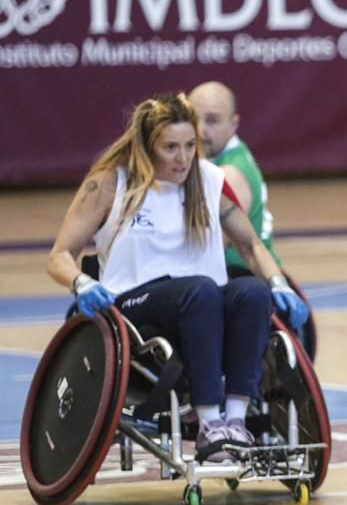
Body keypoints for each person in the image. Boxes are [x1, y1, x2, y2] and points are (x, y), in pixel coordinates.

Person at [46, 92, 309, 463]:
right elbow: (59, 256)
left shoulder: (209, 180)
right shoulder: (110, 182)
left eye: (190, 146)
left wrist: (277, 283)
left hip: (203, 303)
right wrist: (81, 282)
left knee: (251, 293)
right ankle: (208, 423)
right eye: (171, 147)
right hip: (134, 306)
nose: (183, 158)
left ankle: (235, 422)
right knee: (200, 291)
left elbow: (250, 247)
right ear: (147, 145)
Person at [188, 81, 282, 277]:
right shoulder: (199, 161)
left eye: (212, 121)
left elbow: (208, 250)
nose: (200, 130)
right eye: (192, 119)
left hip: (246, 276)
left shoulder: (230, 173)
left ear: (234, 124)